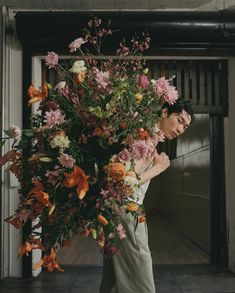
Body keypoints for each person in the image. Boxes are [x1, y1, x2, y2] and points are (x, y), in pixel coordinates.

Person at [99, 99, 193, 293]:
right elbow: (121, 182)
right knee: (141, 280)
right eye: (179, 119)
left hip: (120, 212)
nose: (181, 128)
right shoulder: (143, 139)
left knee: (115, 280)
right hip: (126, 212)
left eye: (186, 126)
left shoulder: (148, 139)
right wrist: (158, 168)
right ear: (165, 113)